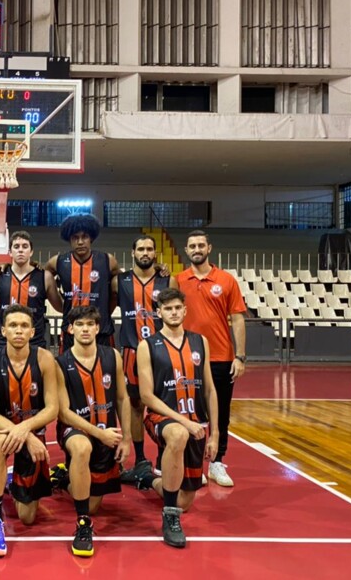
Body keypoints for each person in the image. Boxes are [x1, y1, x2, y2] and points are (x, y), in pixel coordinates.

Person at [135, 288, 219, 548]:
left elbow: (209, 388)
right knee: (179, 434)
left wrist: (214, 433)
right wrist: (184, 422)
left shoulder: (200, 342)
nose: (172, 312)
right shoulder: (147, 345)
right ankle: (169, 517)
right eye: (167, 308)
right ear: (158, 312)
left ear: (185, 310)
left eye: (177, 308)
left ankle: (147, 478)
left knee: (185, 501)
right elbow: (147, 396)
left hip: (196, 421)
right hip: (161, 417)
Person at [0, 304, 59, 557]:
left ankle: (12, 482)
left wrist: (25, 431)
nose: (18, 331)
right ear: (3, 330)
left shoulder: (45, 358)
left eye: (24, 326)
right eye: (12, 325)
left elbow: (52, 408)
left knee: (27, 517)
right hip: (3, 429)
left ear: (33, 331)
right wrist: (22, 434)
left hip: (32, 428)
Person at [55, 305, 131, 558]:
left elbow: (122, 398)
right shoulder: (60, 363)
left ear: (98, 328)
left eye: (90, 324)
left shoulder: (112, 356)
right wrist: (100, 435)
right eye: (80, 324)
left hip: (107, 431)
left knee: (95, 502)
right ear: (70, 328)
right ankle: (83, 523)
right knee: (82, 448)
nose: (85, 329)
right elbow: (64, 412)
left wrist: (126, 439)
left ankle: (63, 478)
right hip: (75, 429)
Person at [173, 230, 246, 487]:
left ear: (209, 248)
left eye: (201, 245)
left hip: (220, 357)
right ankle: (192, 464)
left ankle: (217, 462)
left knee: (221, 412)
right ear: (186, 249)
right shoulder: (179, 280)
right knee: (189, 411)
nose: (197, 249)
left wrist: (240, 356)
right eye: (192, 245)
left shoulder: (226, 280)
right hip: (185, 358)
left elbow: (237, 318)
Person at [115, 235, 169, 484]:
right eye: (141, 249)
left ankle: (161, 457)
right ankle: (139, 460)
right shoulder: (120, 280)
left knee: (162, 405)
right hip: (131, 351)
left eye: (149, 249)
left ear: (155, 254)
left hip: (161, 351)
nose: (145, 253)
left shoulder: (167, 279)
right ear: (132, 252)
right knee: (135, 405)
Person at [45, 214, 119, 351]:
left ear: (91, 238)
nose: (80, 242)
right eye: (75, 238)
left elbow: (125, 283)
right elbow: (42, 277)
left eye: (84, 237)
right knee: (67, 372)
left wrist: (155, 268)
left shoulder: (108, 261)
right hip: (70, 330)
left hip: (101, 330)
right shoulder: (57, 262)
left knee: (105, 371)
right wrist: (60, 305)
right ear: (69, 239)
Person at [0, 230, 61, 350]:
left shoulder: (45, 277)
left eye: (25, 246)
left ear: (31, 252)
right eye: (16, 246)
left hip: (35, 342)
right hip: (4, 342)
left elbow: (60, 307)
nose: (20, 250)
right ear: (10, 252)